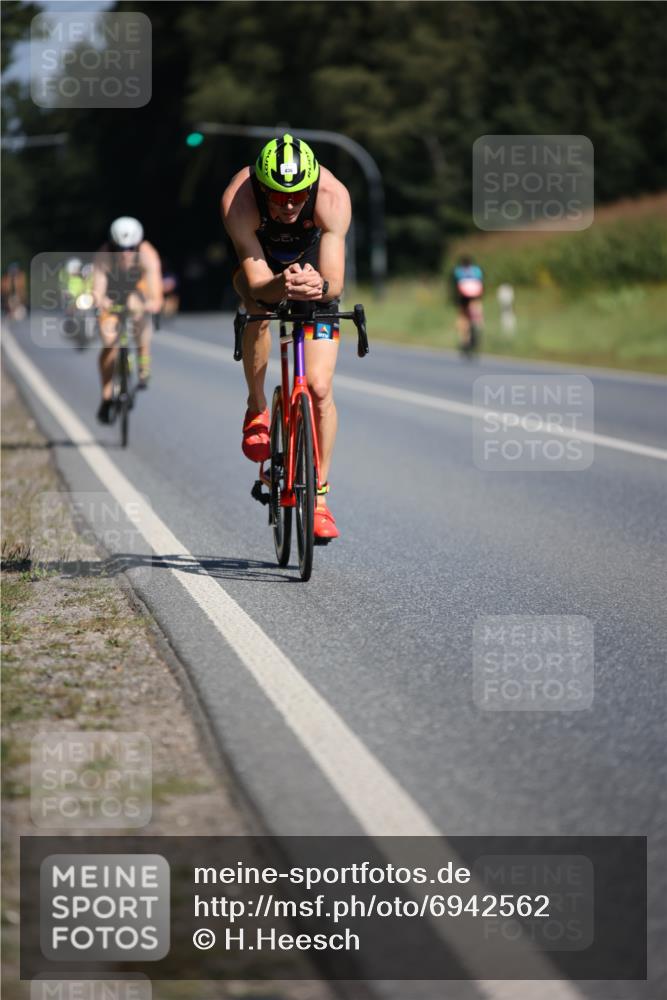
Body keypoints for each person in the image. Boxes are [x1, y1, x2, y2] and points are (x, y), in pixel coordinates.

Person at [221, 133, 351, 540]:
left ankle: (321, 500)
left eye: (297, 196)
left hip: (314, 271)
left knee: (319, 387)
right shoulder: (238, 200)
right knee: (256, 309)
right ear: (261, 187)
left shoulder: (332, 195)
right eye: (278, 196)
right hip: (263, 271)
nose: (289, 205)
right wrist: (282, 285)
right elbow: (259, 284)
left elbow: (334, 284)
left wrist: (316, 284)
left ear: (311, 186)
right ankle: (257, 406)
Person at [92, 217, 163, 424]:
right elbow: (98, 287)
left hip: (136, 293)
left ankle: (143, 365)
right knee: (109, 341)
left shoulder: (148, 254)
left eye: (131, 248)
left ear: (138, 244)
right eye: (119, 248)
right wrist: (100, 300)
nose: (125, 253)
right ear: (112, 244)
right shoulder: (104, 255)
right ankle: (106, 397)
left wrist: (153, 303)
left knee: (139, 315)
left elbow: (155, 289)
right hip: (113, 295)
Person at [451, 255, 484, 353]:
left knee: (463, 316)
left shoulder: (458, 270)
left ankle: (464, 340)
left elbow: (455, 284)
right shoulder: (477, 270)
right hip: (476, 293)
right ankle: (477, 324)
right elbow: (481, 281)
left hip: (464, 295)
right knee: (476, 310)